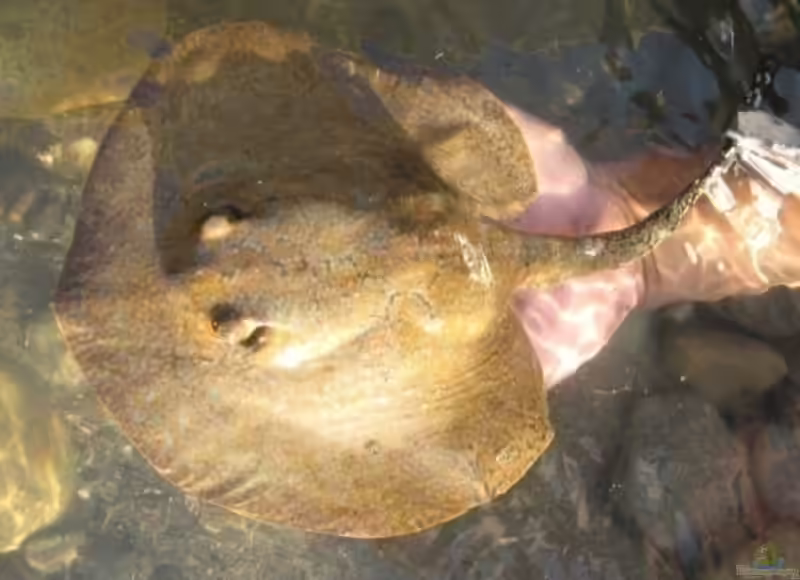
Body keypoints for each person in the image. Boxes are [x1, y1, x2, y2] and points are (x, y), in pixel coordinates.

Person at [505, 104, 800, 389]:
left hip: (584, 194)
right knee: (500, 381)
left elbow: (740, 124)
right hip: (617, 270)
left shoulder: (776, 135)